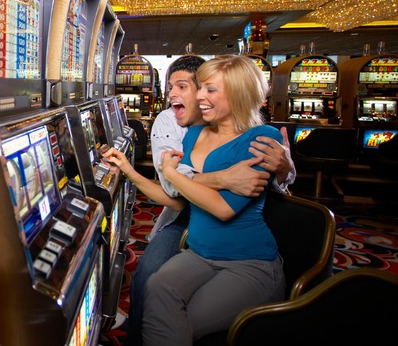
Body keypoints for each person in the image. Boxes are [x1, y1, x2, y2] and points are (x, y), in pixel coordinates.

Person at [105, 55, 294, 345]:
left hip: (248, 262)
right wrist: (129, 171)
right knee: (155, 286)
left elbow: (222, 208)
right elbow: (177, 198)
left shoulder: (261, 137)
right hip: (199, 254)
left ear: (239, 93)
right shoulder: (194, 134)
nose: (200, 96)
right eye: (201, 88)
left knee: (178, 321)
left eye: (210, 89)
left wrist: (171, 171)